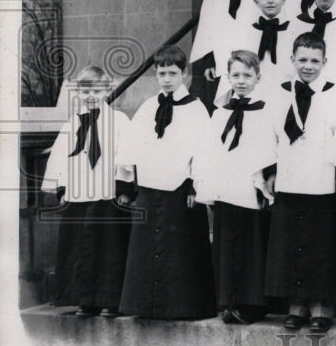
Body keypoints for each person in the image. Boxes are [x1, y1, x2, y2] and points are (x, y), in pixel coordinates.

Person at [118, 45, 216, 319]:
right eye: (162, 73)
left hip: (181, 191)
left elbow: (204, 149)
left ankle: (181, 307)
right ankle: (145, 306)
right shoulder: (149, 107)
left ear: (184, 74)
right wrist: (127, 184)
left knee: (180, 253)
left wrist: (196, 186)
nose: (167, 79)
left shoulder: (196, 109)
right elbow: (130, 146)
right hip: (150, 188)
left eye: (173, 73)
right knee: (147, 250)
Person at [264, 33, 336, 334]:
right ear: (292, 60)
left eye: (314, 61)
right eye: (302, 60)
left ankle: (322, 307)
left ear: (324, 62)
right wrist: (271, 170)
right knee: (292, 243)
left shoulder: (335, 93)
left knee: (319, 244)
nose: (308, 66)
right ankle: (296, 305)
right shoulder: (279, 93)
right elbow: (269, 135)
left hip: (321, 178)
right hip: (289, 176)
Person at [193, 50, 276, 325]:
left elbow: (270, 149)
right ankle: (229, 301)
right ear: (227, 77)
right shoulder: (219, 113)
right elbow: (209, 151)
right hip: (226, 188)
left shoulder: (266, 111)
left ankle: (252, 304)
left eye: (247, 75)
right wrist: (208, 187)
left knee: (251, 246)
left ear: (258, 77)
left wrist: (264, 183)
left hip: (251, 189)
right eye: (236, 75)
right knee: (227, 246)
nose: (241, 81)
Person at [42, 66, 132, 317]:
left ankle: (110, 300)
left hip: (107, 195)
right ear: (78, 93)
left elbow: (126, 154)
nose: (91, 95)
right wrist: (61, 187)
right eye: (85, 91)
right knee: (80, 247)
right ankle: (85, 299)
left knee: (108, 248)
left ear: (107, 90)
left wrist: (124, 188)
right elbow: (61, 158)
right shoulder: (72, 124)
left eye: (96, 90)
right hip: (79, 194)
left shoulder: (118, 121)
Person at [215, 0, 293, 103]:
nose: (270, 1)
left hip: (283, 97)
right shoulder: (245, 33)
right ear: (256, 2)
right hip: (252, 97)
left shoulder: (293, 32)